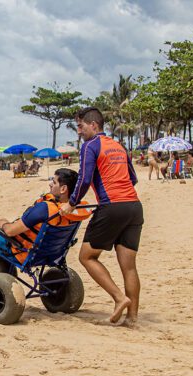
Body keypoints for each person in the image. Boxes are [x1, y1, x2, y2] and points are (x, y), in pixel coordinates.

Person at [60, 107, 143, 327]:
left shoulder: (90, 146)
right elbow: (132, 179)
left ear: (93, 125)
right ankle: (132, 318)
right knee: (129, 266)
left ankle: (119, 298)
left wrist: (71, 204)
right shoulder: (119, 146)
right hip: (134, 206)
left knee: (86, 256)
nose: (79, 131)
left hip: (112, 207)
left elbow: (84, 179)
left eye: (81, 126)